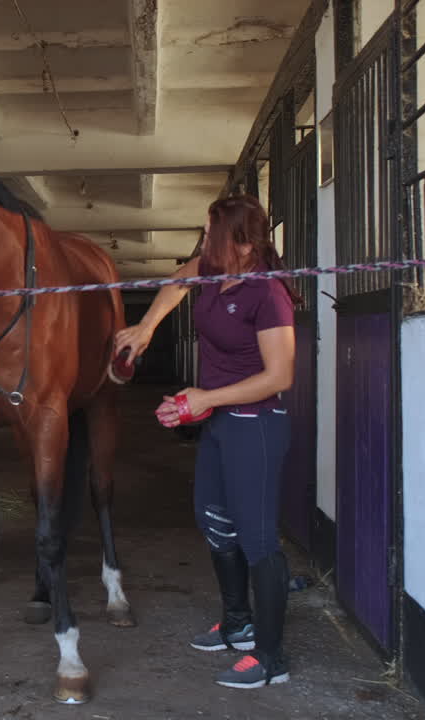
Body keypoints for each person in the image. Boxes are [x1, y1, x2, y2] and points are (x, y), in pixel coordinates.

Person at [113, 193, 299, 689]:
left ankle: (271, 656)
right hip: (220, 421)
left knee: (258, 539)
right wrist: (147, 328)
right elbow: (177, 282)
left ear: (240, 241)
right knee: (213, 520)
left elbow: (279, 374)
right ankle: (237, 621)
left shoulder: (268, 293)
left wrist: (204, 397)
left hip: (256, 423)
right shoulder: (215, 268)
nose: (203, 241)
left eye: (211, 232)